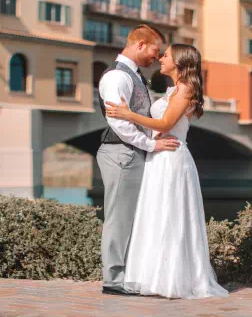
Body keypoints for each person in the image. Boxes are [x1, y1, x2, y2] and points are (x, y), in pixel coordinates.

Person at [105, 44, 229, 299]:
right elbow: (162, 126)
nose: (161, 58)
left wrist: (128, 115)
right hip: (158, 157)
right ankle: (155, 277)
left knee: (171, 217)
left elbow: (166, 123)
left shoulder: (186, 89)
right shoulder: (173, 90)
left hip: (173, 159)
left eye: (166, 55)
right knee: (156, 215)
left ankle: (173, 280)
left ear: (180, 61)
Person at [96, 24, 180, 296]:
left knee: (133, 217)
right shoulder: (117, 78)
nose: (156, 57)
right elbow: (118, 122)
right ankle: (113, 280)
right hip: (121, 153)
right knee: (119, 217)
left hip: (132, 153)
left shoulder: (135, 76)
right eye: (155, 51)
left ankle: (126, 274)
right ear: (140, 45)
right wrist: (151, 144)